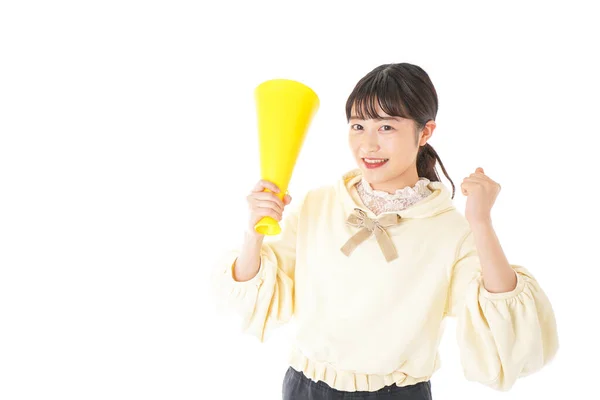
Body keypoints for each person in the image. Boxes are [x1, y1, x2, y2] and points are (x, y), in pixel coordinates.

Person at [210, 63, 559, 399]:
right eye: (358, 126)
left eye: (386, 127)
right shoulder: (317, 204)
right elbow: (255, 303)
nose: (368, 145)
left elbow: (504, 323)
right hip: (304, 388)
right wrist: (255, 230)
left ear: (425, 132)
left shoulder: (451, 230)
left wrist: (481, 222)